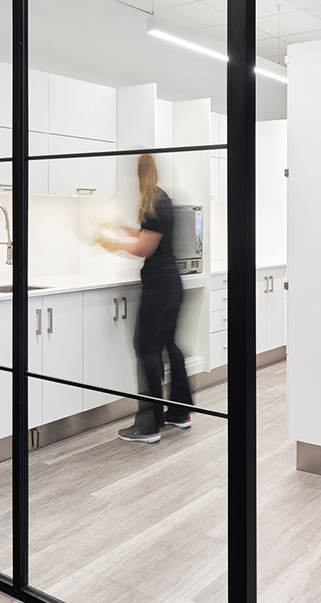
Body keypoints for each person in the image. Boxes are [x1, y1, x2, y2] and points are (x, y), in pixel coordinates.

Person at [99, 154, 193, 443]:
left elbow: (144, 249)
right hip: (172, 286)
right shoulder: (161, 198)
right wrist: (129, 231)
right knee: (168, 345)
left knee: (145, 348)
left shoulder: (152, 202)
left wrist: (111, 243)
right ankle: (179, 412)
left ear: (139, 176)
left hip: (159, 288)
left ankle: (149, 425)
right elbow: (154, 236)